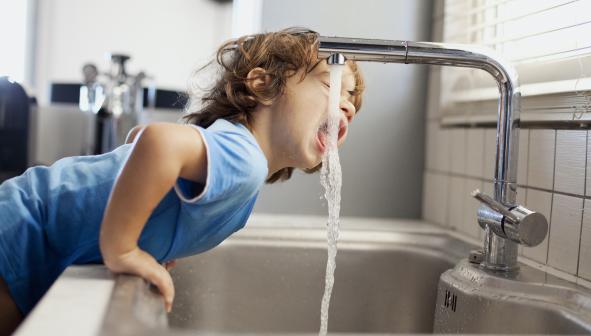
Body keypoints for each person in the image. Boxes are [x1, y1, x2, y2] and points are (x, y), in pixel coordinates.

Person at [0, 27, 364, 335]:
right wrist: (125, 247)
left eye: (351, 99)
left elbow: (138, 139)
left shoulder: (232, 150)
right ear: (262, 85)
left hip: (29, 230)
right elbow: (155, 142)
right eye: (331, 84)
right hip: (23, 231)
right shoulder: (245, 159)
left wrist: (149, 234)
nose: (346, 105)